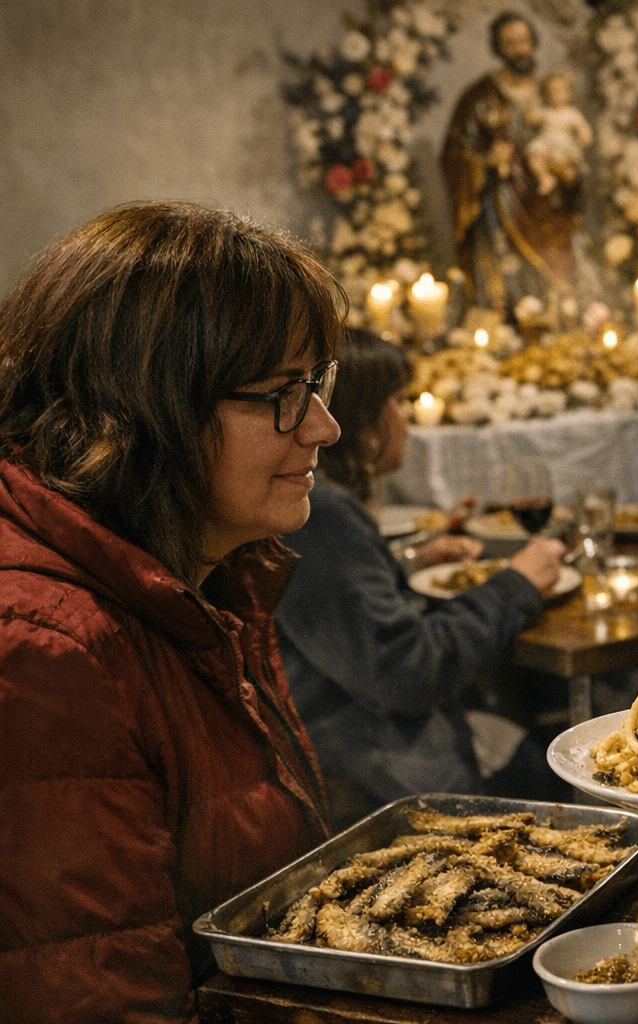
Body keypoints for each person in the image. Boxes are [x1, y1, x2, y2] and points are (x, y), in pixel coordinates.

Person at [0, 200, 341, 1019]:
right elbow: (101, 994)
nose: (324, 427)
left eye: (316, 384)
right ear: (143, 408)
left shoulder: (199, 564)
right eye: (281, 393)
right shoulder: (46, 653)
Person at [276, 329, 568, 828]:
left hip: (350, 743)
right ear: (363, 420)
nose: (408, 422)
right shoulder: (321, 511)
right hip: (368, 771)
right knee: (550, 759)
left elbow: (336, 604)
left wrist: (408, 562)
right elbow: (408, 668)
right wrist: (517, 584)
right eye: (398, 401)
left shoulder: (319, 505)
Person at [441, 11, 578, 310]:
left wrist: (565, 164)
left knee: (556, 276)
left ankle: (556, 312)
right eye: (510, 43)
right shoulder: (479, 96)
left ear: (533, 42)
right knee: (506, 270)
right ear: (498, 47)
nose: (519, 49)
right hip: (502, 203)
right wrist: (484, 159)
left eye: (524, 41)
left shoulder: (550, 92)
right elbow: (455, 151)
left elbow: (573, 138)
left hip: (547, 200)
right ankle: (508, 315)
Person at [526, 72, 593, 197]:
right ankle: (544, 177)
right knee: (533, 156)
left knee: (568, 170)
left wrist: (585, 136)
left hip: (563, 146)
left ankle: (562, 188)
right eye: (550, 91)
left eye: (558, 91)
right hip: (545, 143)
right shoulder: (546, 111)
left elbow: (583, 127)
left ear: (569, 93)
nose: (554, 95)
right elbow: (531, 119)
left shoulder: (571, 113)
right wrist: (532, 104)